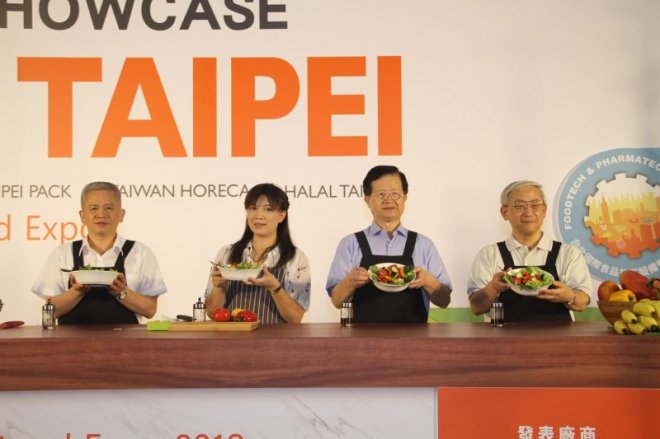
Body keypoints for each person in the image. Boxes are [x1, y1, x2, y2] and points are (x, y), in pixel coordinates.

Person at [326, 165, 452, 323]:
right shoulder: (350, 244)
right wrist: (350, 281)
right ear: (367, 200)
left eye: (395, 194)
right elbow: (336, 301)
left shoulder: (424, 245)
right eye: (381, 195)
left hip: (414, 337)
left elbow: (444, 301)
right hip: (361, 337)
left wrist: (428, 281)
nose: (389, 200)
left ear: (405, 198)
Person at [31, 182, 167, 324]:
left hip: (124, 338)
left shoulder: (140, 253)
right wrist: (76, 291)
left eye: (108, 208)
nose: (101, 214)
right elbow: (51, 311)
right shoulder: (62, 254)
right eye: (93, 208)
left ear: (121, 214)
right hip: (71, 339)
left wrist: (121, 292)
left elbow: (150, 310)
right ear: (82, 215)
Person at [467, 180, 592, 321]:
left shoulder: (568, 253)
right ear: (505, 212)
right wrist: (493, 287)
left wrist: (570, 296)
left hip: (558, 335)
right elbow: (476, 307)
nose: (528, 212)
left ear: (544, 211)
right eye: (519, 206)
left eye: (535, 205)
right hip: (503, 335)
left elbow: (582, 301)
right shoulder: (489, 254)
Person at [204, 183, 310, 324]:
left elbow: (295, 318)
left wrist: (275, 288)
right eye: (253, 208)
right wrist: (219, 287)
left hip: (276, 338)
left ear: (281, 215)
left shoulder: (295, 258)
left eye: (268, 209)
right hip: (232, 337)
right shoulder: (226, 253)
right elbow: (211, 313)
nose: (259, 215)